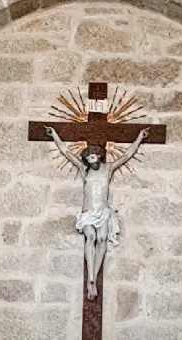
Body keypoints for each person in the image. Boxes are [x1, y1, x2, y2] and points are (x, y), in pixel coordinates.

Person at [45, 126, 148, 299]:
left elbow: (126, 155)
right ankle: (90, 278)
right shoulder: (84, 169)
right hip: (88, 213)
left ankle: (94, 276)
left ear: (99, 156)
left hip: (103, 212)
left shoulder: (108, 169)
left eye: (93, 157)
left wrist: (139, 137)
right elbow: (66, 152)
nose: (92, 161)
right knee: (91, 237)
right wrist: (54, 134)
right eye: (88, 158)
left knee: (101, 239)